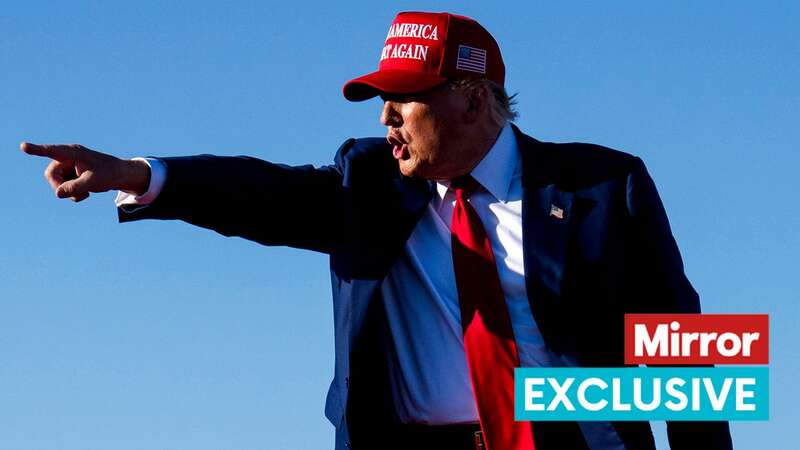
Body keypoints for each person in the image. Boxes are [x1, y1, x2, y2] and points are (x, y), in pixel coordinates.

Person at [22, 11, 732, 450]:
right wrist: (137, 173)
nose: (385, 118)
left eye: (405, 99)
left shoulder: (605, 186)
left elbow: (683, 349)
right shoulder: (369, 182)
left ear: (474, 101)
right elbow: (263, 195)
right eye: (380, 101)